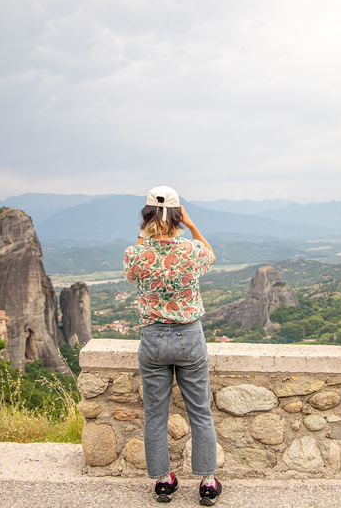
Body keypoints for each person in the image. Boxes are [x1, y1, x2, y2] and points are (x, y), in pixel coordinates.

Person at [123, 186, 222, 505]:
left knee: (155, 414)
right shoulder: (191, 250)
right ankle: (207, 482)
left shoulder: (136, 252)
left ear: (146, 216)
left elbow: (129, 275)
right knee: (200, 413)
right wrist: (191, 226)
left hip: (152, 339)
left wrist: (144, 235)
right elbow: (211, 255)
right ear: (179, 215)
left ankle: (164, 481)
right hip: (190, 337)